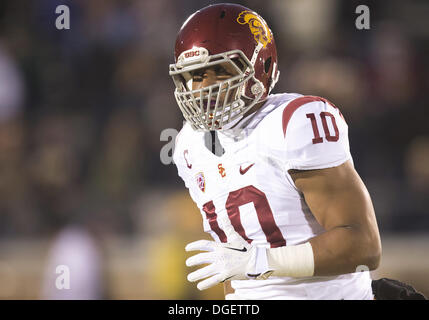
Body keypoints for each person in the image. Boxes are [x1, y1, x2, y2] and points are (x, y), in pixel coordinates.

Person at [169, 3, 382, 300]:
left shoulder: (293, 122)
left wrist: (260, 262)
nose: (203, 86)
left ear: (261, 67)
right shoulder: (188, 146)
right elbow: (232, 264)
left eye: (219, 70)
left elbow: (364, 245)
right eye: (194, 75)